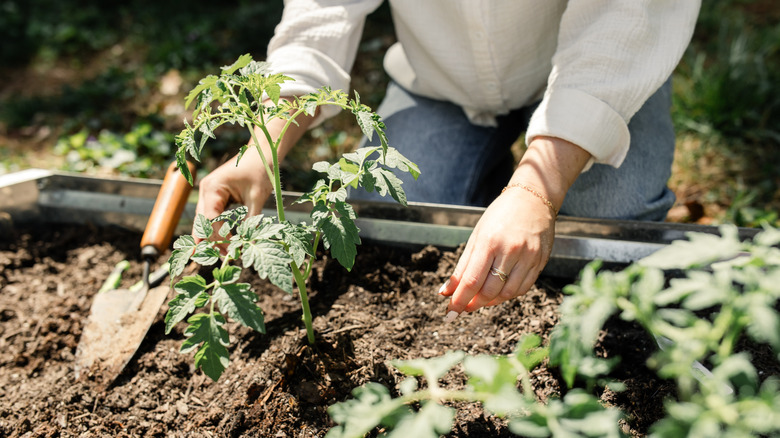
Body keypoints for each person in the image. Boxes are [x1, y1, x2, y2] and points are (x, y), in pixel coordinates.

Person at [195, 1, 702, 322]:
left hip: (596, 72)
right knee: (387, 226)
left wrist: (536, 190)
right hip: (440, 83)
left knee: (606, 231)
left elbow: (627, 18)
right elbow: (321, 13)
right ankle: (495, 210)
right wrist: (264, 146)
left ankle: (519, 197)